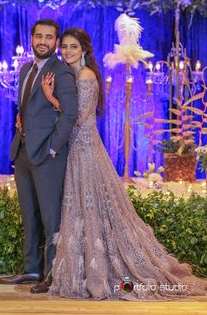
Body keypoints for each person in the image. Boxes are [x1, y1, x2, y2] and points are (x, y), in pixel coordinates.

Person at [41, 27, 206, 300]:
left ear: (84, 49)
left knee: (94, 207)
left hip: (85, 150)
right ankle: (87, 270)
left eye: (73, 47)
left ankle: (104, 274)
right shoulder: (78, 74)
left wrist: (52, 100)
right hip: (80, 149)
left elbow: (79, 118)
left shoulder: (85, 76)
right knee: (86, 207)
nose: (67, 51)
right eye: (65, 47)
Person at [0, 19, 78, 294]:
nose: (43, 41)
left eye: (49, 37)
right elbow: (28, 107)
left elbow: (70, 115)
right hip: (22, 152)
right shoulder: (25, 70)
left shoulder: (62, 73)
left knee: (50, 217)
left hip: (47, 156)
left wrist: (54, 148)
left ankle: (51, 274)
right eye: (39, 36)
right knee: (29, 215)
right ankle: (31, 268)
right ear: (31, 39)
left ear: (55, 42)